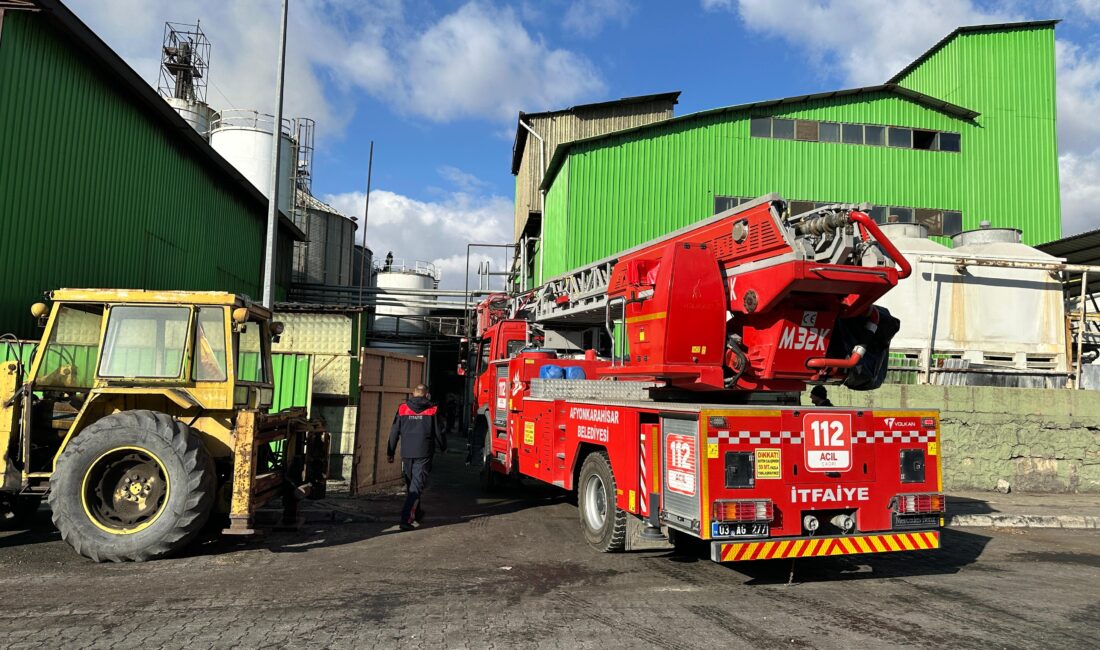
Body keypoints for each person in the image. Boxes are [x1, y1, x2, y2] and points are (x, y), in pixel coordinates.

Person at [387, 384, 446, 531]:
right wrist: (443, 447)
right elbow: (439, 432)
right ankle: (406, 520)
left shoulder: (402, 408)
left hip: (407, 453)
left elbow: (394, 432)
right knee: (416, 486)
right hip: (424, 453)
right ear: (427, 395)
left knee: (412, 485)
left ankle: (417, 513)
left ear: (413, 394)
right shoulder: (433, 410)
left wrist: (390, 451)